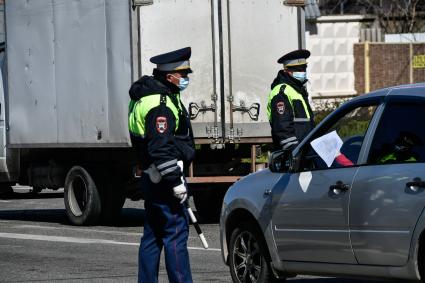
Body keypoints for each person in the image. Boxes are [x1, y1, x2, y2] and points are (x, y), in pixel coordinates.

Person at [128, 47, 195, 283]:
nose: (186, 78)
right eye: (183, 74)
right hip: (164, 178)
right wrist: (176, 182)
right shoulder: (161, 105)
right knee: (175, 234)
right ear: (169, 76)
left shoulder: (147, 97)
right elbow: (161, 147)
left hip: (151, 175)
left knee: (153, 235)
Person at [267, 49, 315, 150]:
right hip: (295, 154)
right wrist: (294, 151)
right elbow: (283, 128)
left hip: (305, 151)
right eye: (298, 69)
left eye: (304, 69)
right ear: (287, 70)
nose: (302, 72)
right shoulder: (282, 92)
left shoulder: (297, 89)